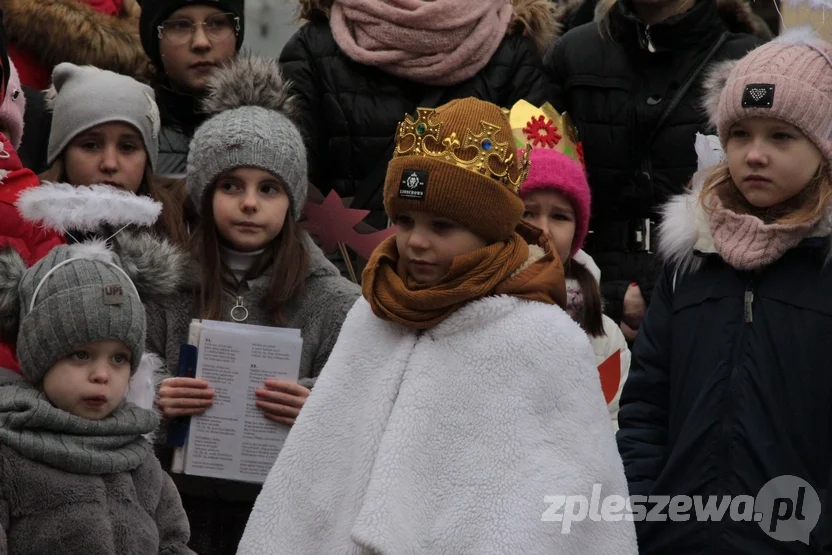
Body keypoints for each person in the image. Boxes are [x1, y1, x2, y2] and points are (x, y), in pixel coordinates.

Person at [237, 97, 637, 554]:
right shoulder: (374, 314)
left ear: (490, 230)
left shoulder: (544, 340)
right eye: (404, 220)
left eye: (442, 226)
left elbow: (578, 502)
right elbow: (312, 475)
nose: (416, 242)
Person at [618, 31, 832, 553]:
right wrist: (644, 515)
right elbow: (646, 406)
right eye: (740, 134)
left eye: (781, 136)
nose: (755, 154)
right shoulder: (690, 259)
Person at [148, 54, 360, 555]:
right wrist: (154, 399)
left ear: (291, 200)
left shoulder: (335, 303)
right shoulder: (162, 289)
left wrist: (320, 410)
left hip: (285, 521)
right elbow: (114, 394)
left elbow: (362, 419)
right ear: (203, 194)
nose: (249, 203)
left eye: (268, 188)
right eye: (230, 186)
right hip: (174, 514)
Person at [545, 0, 765, 341]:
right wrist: (605, 294)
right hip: (585, 303)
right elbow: (538, 193)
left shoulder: (750, 59)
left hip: (707, 300)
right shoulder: (572, 53)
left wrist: (659, 289)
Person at [281, 0, 558, 231]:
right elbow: (289, 192)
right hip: (346, 279)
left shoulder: (512, 52)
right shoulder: (313, 48)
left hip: (473, 283)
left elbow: (539, 199)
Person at [0, 237, 193, 554]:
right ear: (39, 358)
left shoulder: (138, 457)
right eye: (80, 355)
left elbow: (173, 542)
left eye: (119, 359)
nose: (102, 375)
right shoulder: (9, 452)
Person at [519, 143, 630, 430]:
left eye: (559, 216)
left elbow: (615, 421)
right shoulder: (469, 306)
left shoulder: (604, 335)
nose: (543, 230)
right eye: (528, 213)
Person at [39, 62, 188, 244]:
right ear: (62, 154)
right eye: (91, 145)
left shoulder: (182, 232)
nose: (110, 163)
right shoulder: (22, 229)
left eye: (127, 148)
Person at [138, 0, 244, 178]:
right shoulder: (131, 134)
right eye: (180, 25)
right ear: (155, 41)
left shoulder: (272, 132)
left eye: (217, 24)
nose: (201, 42)